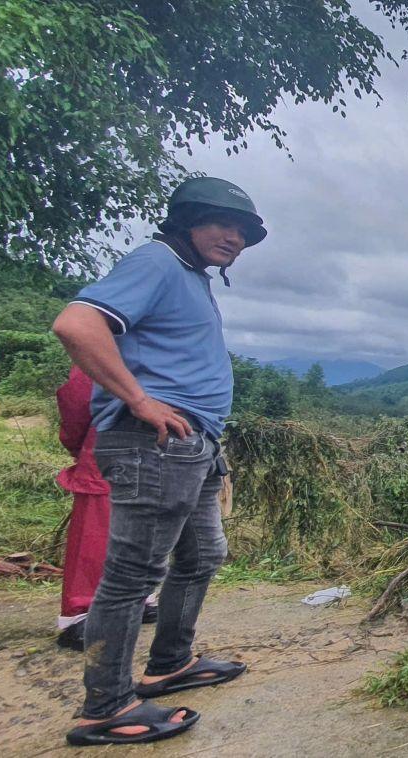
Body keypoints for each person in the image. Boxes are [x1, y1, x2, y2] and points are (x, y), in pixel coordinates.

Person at [51, 177, 265, 747]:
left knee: (202, 555)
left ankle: (170, 663)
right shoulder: (157, 263)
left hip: (192, 444)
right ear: (186, 221)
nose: (234, 238)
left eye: (242, 232)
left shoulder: (192, 276)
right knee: (133, 574)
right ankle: (106, 706)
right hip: (153, 443)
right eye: (222, 224)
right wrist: (140, 400)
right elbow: (77, 323)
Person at [53, 366, 159, 651]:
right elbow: (78, 398)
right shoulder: (103, 350)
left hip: (151, 447)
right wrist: (77, 443)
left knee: (144, 528)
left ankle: (140, 597)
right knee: (95, 533)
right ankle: (82, 612)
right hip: (107, 444)